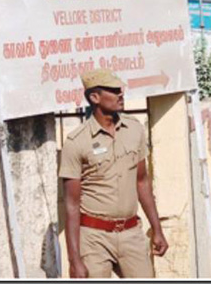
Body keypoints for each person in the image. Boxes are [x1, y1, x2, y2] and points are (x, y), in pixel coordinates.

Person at [59, 68, 168, 278]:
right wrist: (74, 261)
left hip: (131, 233)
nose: (121, 94)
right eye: (113, 90)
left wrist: (157, 229)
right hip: (94, 237)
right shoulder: (77, 142)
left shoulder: (134, 129)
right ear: (94, 97)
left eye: (120, 89)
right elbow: (71, 205)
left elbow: (142, 182)